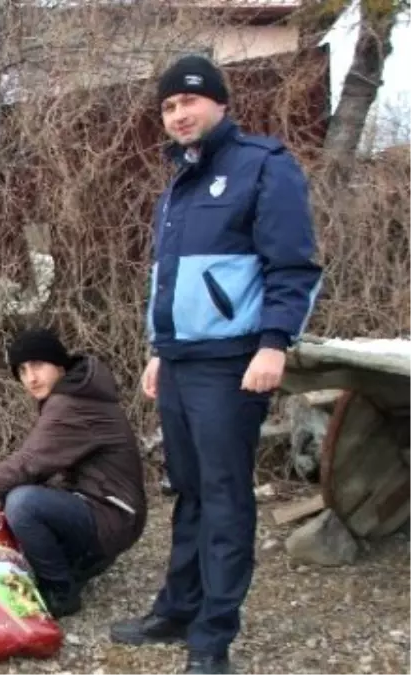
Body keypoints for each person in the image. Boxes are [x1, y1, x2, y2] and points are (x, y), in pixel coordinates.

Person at [108, 55, 322, 675]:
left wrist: (274, 344)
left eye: (188, 102)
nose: (178, 115)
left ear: (219, 103)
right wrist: (158, 349)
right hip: (179, 361)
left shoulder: (263, 166)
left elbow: (293, 268)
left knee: (226, 497)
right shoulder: (176, 184)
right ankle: (178, 610)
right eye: (168, 107)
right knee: (191, 492)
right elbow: (168, 282)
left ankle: (213, 638)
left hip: (234, 363)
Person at [0, 328, 147, 619]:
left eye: (38, 366)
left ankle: (61, 593)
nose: (30, 378)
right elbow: (44, 462)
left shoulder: (72, 403)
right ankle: (79, 564)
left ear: (60, 365)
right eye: (22, 370)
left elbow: (27, 463)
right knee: (14, 498)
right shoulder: (75, 391)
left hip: (113, 516)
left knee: (23, 503)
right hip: (105, 508)